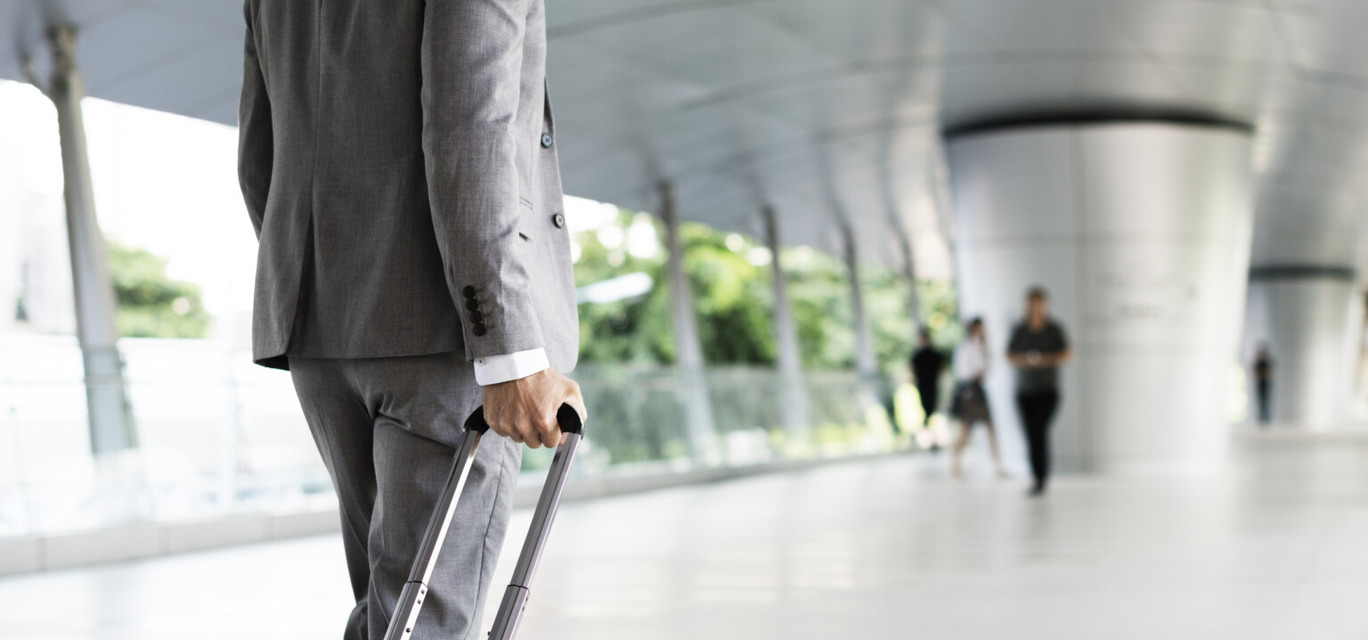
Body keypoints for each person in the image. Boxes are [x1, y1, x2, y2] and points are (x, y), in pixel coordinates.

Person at [237, 2, 585, 638]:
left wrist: (326, 285)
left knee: (391, 614)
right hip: (446, 334)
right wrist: (508, 347)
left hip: (322, 332)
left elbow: (260, 157)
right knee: (424, 620)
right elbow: (470, 129)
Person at [1006, 287, 1071, 497]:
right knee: (1031, 434)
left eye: (1038, 303)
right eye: (1031, 303)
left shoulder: (1054, 329)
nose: (1034, 307)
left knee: (1039, 432)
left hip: (1047, 390)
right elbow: (1009, 354)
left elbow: (1067, 353)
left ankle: (1042, 477)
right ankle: (1036, 477)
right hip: (1025, 391)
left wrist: (1045, 360)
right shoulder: (1020, 329)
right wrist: (1026, 361)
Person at [948, 318, 1005, 478]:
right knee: (965, 430)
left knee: (990, 428)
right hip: (970, 391)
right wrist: (977, 372)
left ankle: (997, 466)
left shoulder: (983, 347)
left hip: (979, 389)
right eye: (979, 328)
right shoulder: (965, 348)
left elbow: (989, 367)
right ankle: (954, 463)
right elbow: (963, 372)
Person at [910, 328, 946, 428]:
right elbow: (912, 371)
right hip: (922, 385)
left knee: (933, 406)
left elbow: (941, 369)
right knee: (925, 407)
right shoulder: (917, 356)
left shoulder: (934, 354)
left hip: (932, 384)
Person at [1253, 344, 1274, 424]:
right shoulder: (1259, 362)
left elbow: (1270, 373)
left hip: (1266, 383)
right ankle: (1261, 418)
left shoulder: (1267, 362)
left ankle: (1267, 418)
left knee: (1266, 401)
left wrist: (1264, 374)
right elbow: (1255, 373)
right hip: (1260, 383)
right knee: (1260, 402)